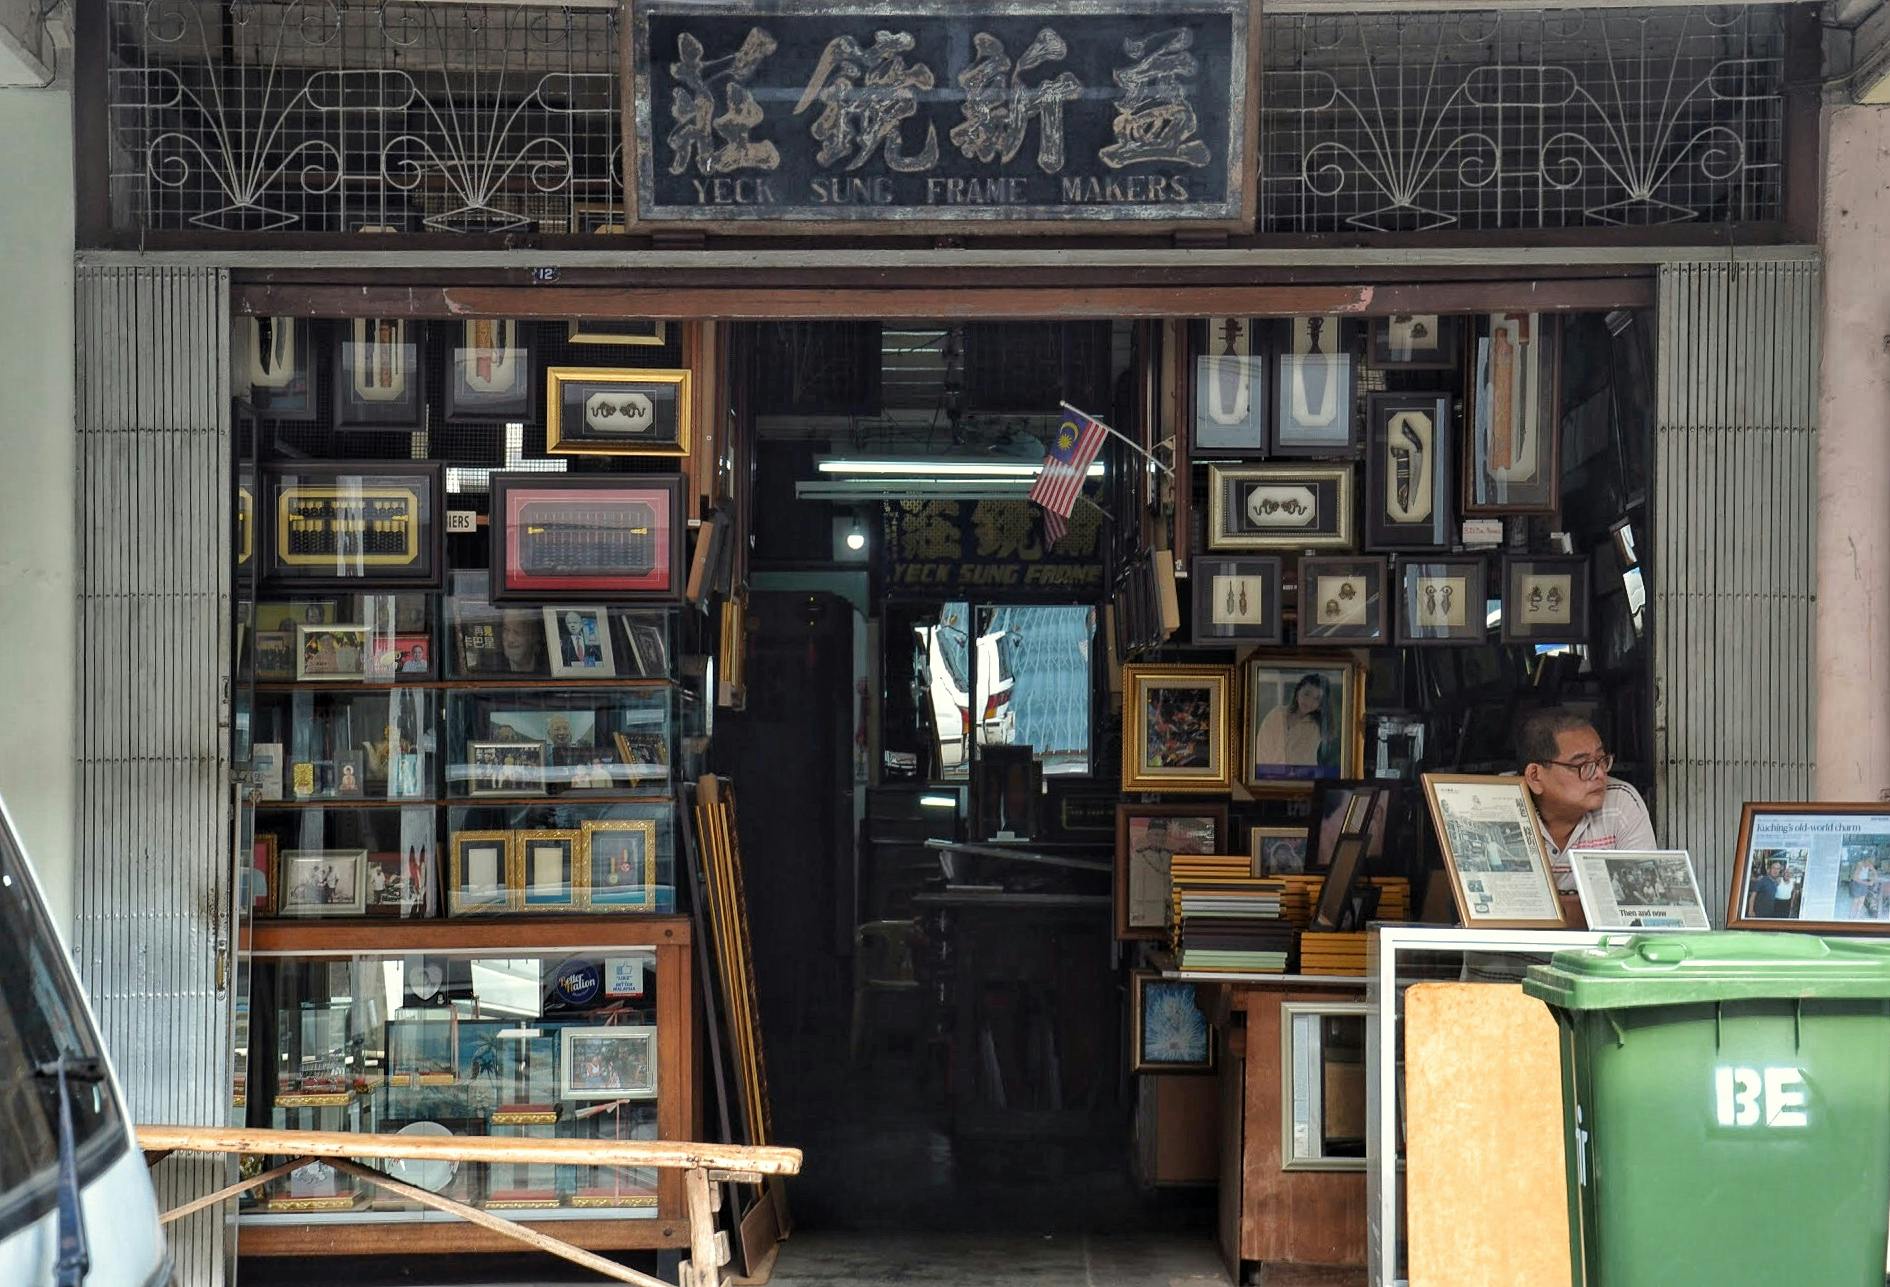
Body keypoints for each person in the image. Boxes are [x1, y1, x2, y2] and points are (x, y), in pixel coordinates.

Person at [1516, 707, 1657, 894]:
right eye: (1582, 765)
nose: (1600, 774)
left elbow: (1640, 905)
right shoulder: (1499, 806)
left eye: (1601, 760)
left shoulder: (1620, 802)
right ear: (1535, 776)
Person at [1253, 674, 1332, 772]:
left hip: (1298, 780)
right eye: (1307, 694)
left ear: (1321, 704)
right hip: (1266, 775)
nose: (1309, 701)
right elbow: (1261, 746)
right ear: (1297, 692)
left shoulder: (1315, 728)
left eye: (1316, 698)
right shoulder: (1277, 714)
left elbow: (1304, 760)